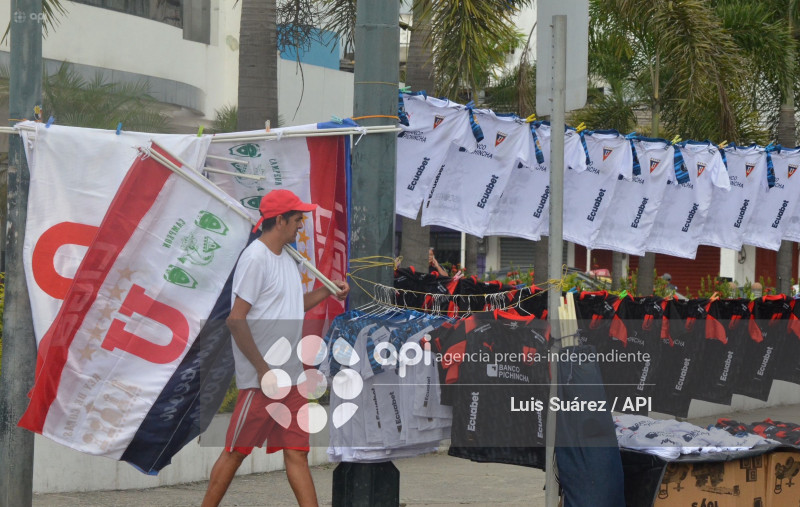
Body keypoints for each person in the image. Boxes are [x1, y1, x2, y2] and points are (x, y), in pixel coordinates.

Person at [202, 189, 349, 507]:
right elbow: (236, 320)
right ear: (279, 220)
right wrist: (264, 370)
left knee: (297, 453)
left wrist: (327, 291)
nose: (301, 225)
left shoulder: (288, 257)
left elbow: (295, 306)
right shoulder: (255, 258)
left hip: (293, 378)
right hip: (263, 382)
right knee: (235, 453)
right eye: (297, 219)